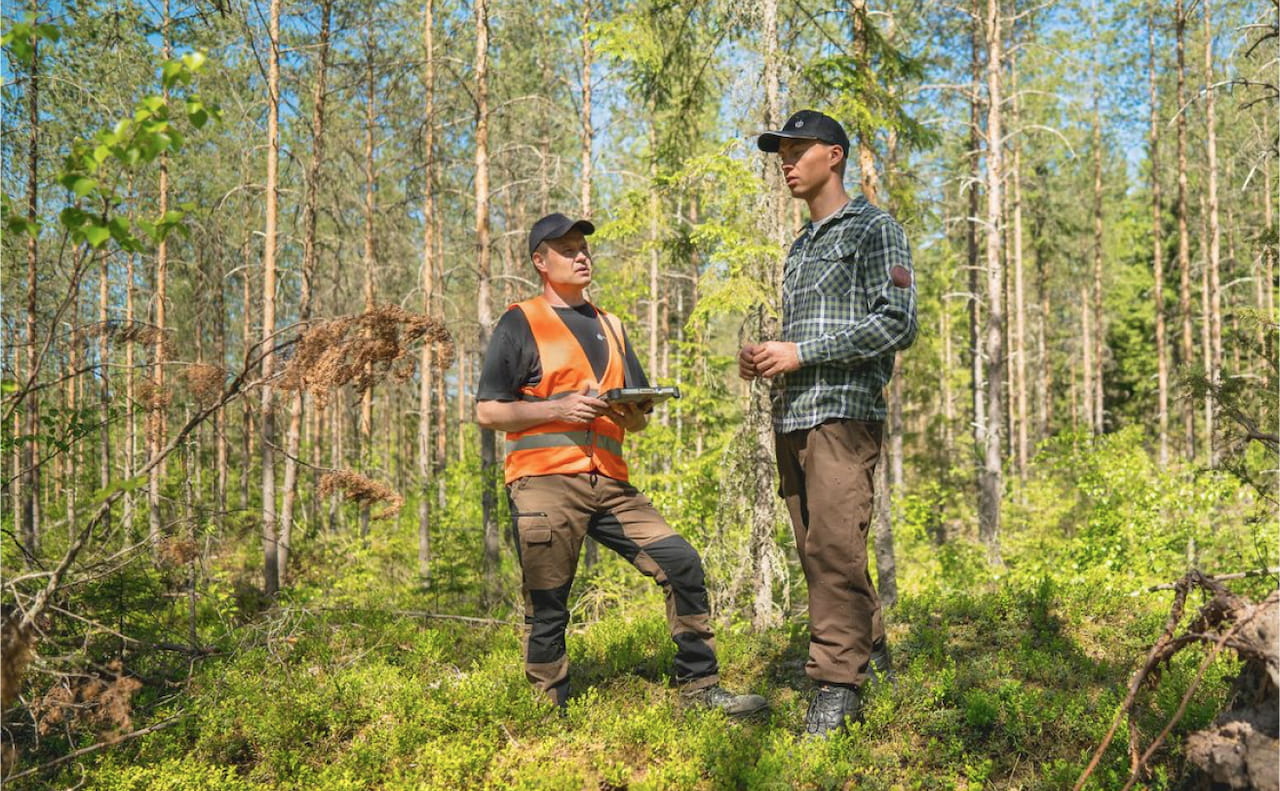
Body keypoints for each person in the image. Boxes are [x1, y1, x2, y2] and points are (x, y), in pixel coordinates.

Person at [477, 211, 767, 717]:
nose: (581, 255)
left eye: (583, 247)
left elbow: (634, 425)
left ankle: (700, 691)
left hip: (611, 484)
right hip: (544, 481)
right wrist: (558, 407)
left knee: (681, 564)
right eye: (566, 249)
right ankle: (547, 713)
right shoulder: (520, 321)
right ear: (540, 262)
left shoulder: (611, 324)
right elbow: (488, 411)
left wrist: (634, 410)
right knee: (548, 604)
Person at [739, 110, 918, 737]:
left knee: (835, 548)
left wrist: (802, 352)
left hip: (844, 415)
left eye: (796, 150)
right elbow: (805, 337)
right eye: (779, 154)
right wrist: (769, 357)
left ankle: (837, 687)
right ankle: (870, 656)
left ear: (834, 155)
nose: (785, 163)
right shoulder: (800, 246)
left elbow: (897, 323)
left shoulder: (876, 230)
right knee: (822, 554)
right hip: (794, 414)